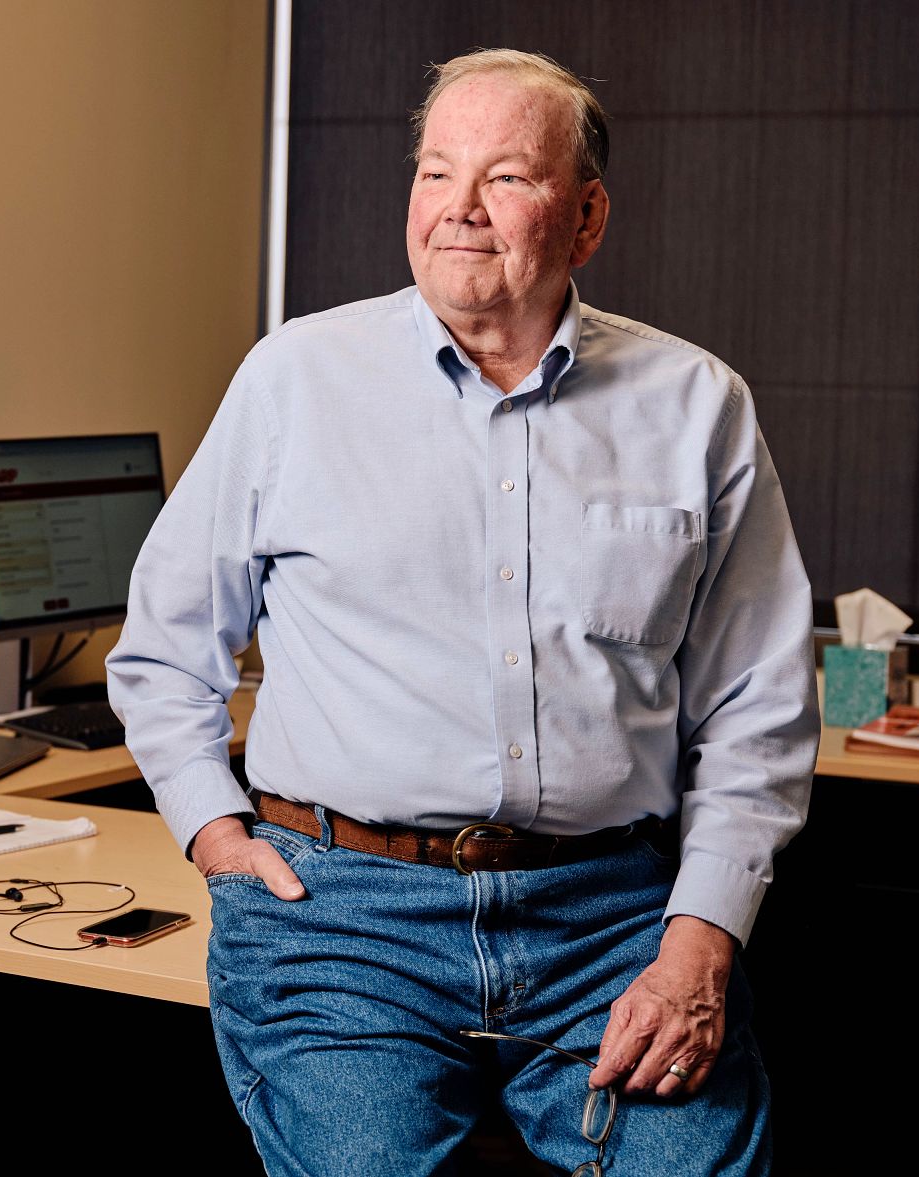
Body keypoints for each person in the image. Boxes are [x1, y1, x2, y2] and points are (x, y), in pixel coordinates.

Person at [106, 48, 815, 1176]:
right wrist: (211, 826)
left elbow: (758, 710)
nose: (459, 212)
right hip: (341, 918)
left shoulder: (695, 407)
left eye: (505, 179)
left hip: (606, 920)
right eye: (435, 174)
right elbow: (161, 646)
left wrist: (698, 942)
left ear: (585, 220)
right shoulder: (295, 379)